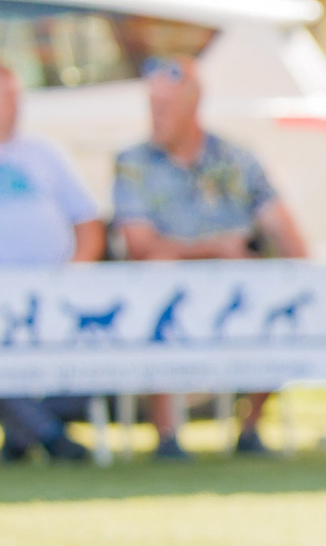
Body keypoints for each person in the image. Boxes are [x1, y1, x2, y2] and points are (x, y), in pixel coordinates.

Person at [111, 55, 306, 458]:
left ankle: (249, 428)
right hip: (167, 287)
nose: (156, 117)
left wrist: (302, 273)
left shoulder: (236, 159)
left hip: (234, 286)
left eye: (165, 107)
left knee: (269, 291)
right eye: (152, 107)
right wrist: (213, 248)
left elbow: (280, 222)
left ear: (192, 108)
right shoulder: (134, 163)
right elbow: (139, 244)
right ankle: (167, 436)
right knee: (158, 280)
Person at [0, 61, 101, 463]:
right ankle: (50, 437)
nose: (11, 106)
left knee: (94, 356)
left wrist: (75, 274)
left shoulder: (44, 154)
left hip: (52, 295)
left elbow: (88, 223)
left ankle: (25, 434)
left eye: (14, 97)